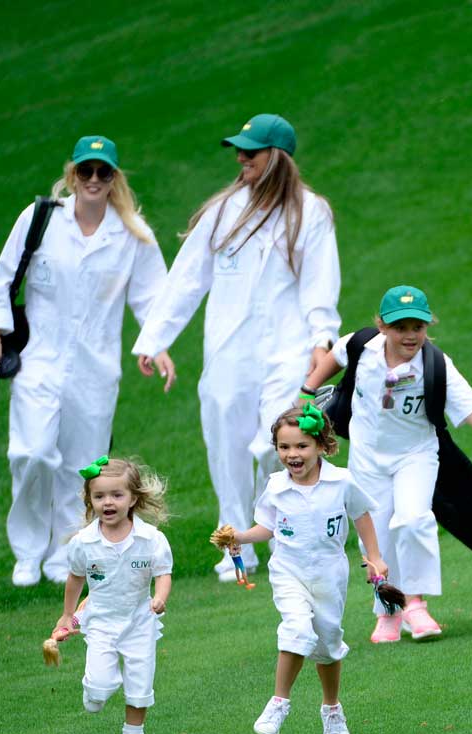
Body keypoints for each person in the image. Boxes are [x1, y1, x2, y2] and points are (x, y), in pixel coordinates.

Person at [132, 113, 341, 581]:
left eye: (252, 151)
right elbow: (187, 279)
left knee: (276, 440)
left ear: (277, 157)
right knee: (226, 446)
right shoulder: (224, 211)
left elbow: (320, 282)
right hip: (229, 349)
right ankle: (235, 547)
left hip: (288, 346)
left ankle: (283, 530)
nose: (241, 158)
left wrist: (321, 339)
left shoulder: (310, 212)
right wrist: (155, 339)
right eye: (239, 150)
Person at [301, 285, 472, 642]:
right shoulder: (361, 345)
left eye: (418, 326)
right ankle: (389, 611)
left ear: (428, 325)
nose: (410, 335)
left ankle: (415, 604)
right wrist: (308, 391)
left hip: (415, 455)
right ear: (383, 326)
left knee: (413, 520)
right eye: (400, 327)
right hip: (367, 460)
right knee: (376, 539)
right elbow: (336, 356)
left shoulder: (435, 365)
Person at [0, 136, 170, 586]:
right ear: (72, 175)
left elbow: (153, 297)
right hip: (39, 360)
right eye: (86, 171)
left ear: (115, 178)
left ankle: (65, 551)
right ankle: (28, 550)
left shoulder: (132, 234)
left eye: (103, 172)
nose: (94, 179)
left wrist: (156, 345)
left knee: (82, 466)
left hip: (95, 368)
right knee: (31, 453)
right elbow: (5, 275)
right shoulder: (41, 218)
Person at [210, 405, 386, 734]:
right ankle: (279, 702)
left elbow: (361, 515)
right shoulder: (276, 486)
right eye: (284, 447)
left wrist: (375, 557)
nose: (292, 454)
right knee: (296, 628)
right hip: (288, 571)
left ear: (320, 445)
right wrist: (240, 537)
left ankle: (332, 710)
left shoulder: (341, 481)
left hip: (329, 574)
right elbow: (267, 527)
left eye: (302, 446)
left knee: (328, 643)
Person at [56, 456, 173, 734]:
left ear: (133, 498)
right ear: (90, 500)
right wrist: (68, 615)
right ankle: (95, 689)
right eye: (99, 496)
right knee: (100, 688)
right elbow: (75, 579)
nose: (108, 502)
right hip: (101, 622)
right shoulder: (83, 542)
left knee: (140, 681)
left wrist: (160, 598)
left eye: (117, 495)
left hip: (140, 621)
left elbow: (163, 573)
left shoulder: (152, 539)